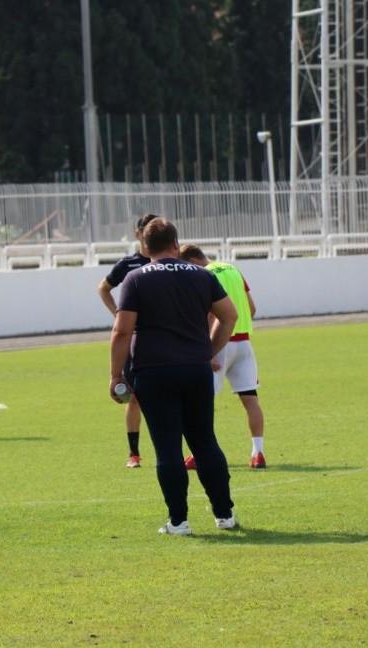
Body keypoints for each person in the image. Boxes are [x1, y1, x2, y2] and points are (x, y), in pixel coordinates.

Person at [109, 217, 239, 535]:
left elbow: (122, 331)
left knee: (167, 446)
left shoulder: (135, 279)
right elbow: (229, 316)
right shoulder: (201, 274)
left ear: (144, 246)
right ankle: (224, 515)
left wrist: (115, 375)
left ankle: (179, 521)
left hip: (153, 372)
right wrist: (207, 352)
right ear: (176, 243)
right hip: (195, 369)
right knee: (204, 440)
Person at [179, 244, 266, 469]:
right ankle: (258, 453)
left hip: (219, 344)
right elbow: (251, 308)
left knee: (202, 401)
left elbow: (210, 314)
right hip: (244, 343)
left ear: (192, 262)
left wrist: (207, 350)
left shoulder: (203, 275)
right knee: (251, 400)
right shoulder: (233, 269)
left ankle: (199, 454)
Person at [98, 214, 154, 468]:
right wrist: (119, 315)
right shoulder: (129, 264)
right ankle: (134, 453)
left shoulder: (168, 260)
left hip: (160, 337)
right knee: (133, 396)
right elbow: (103, 288)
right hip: (134, 339)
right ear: (138, 235)